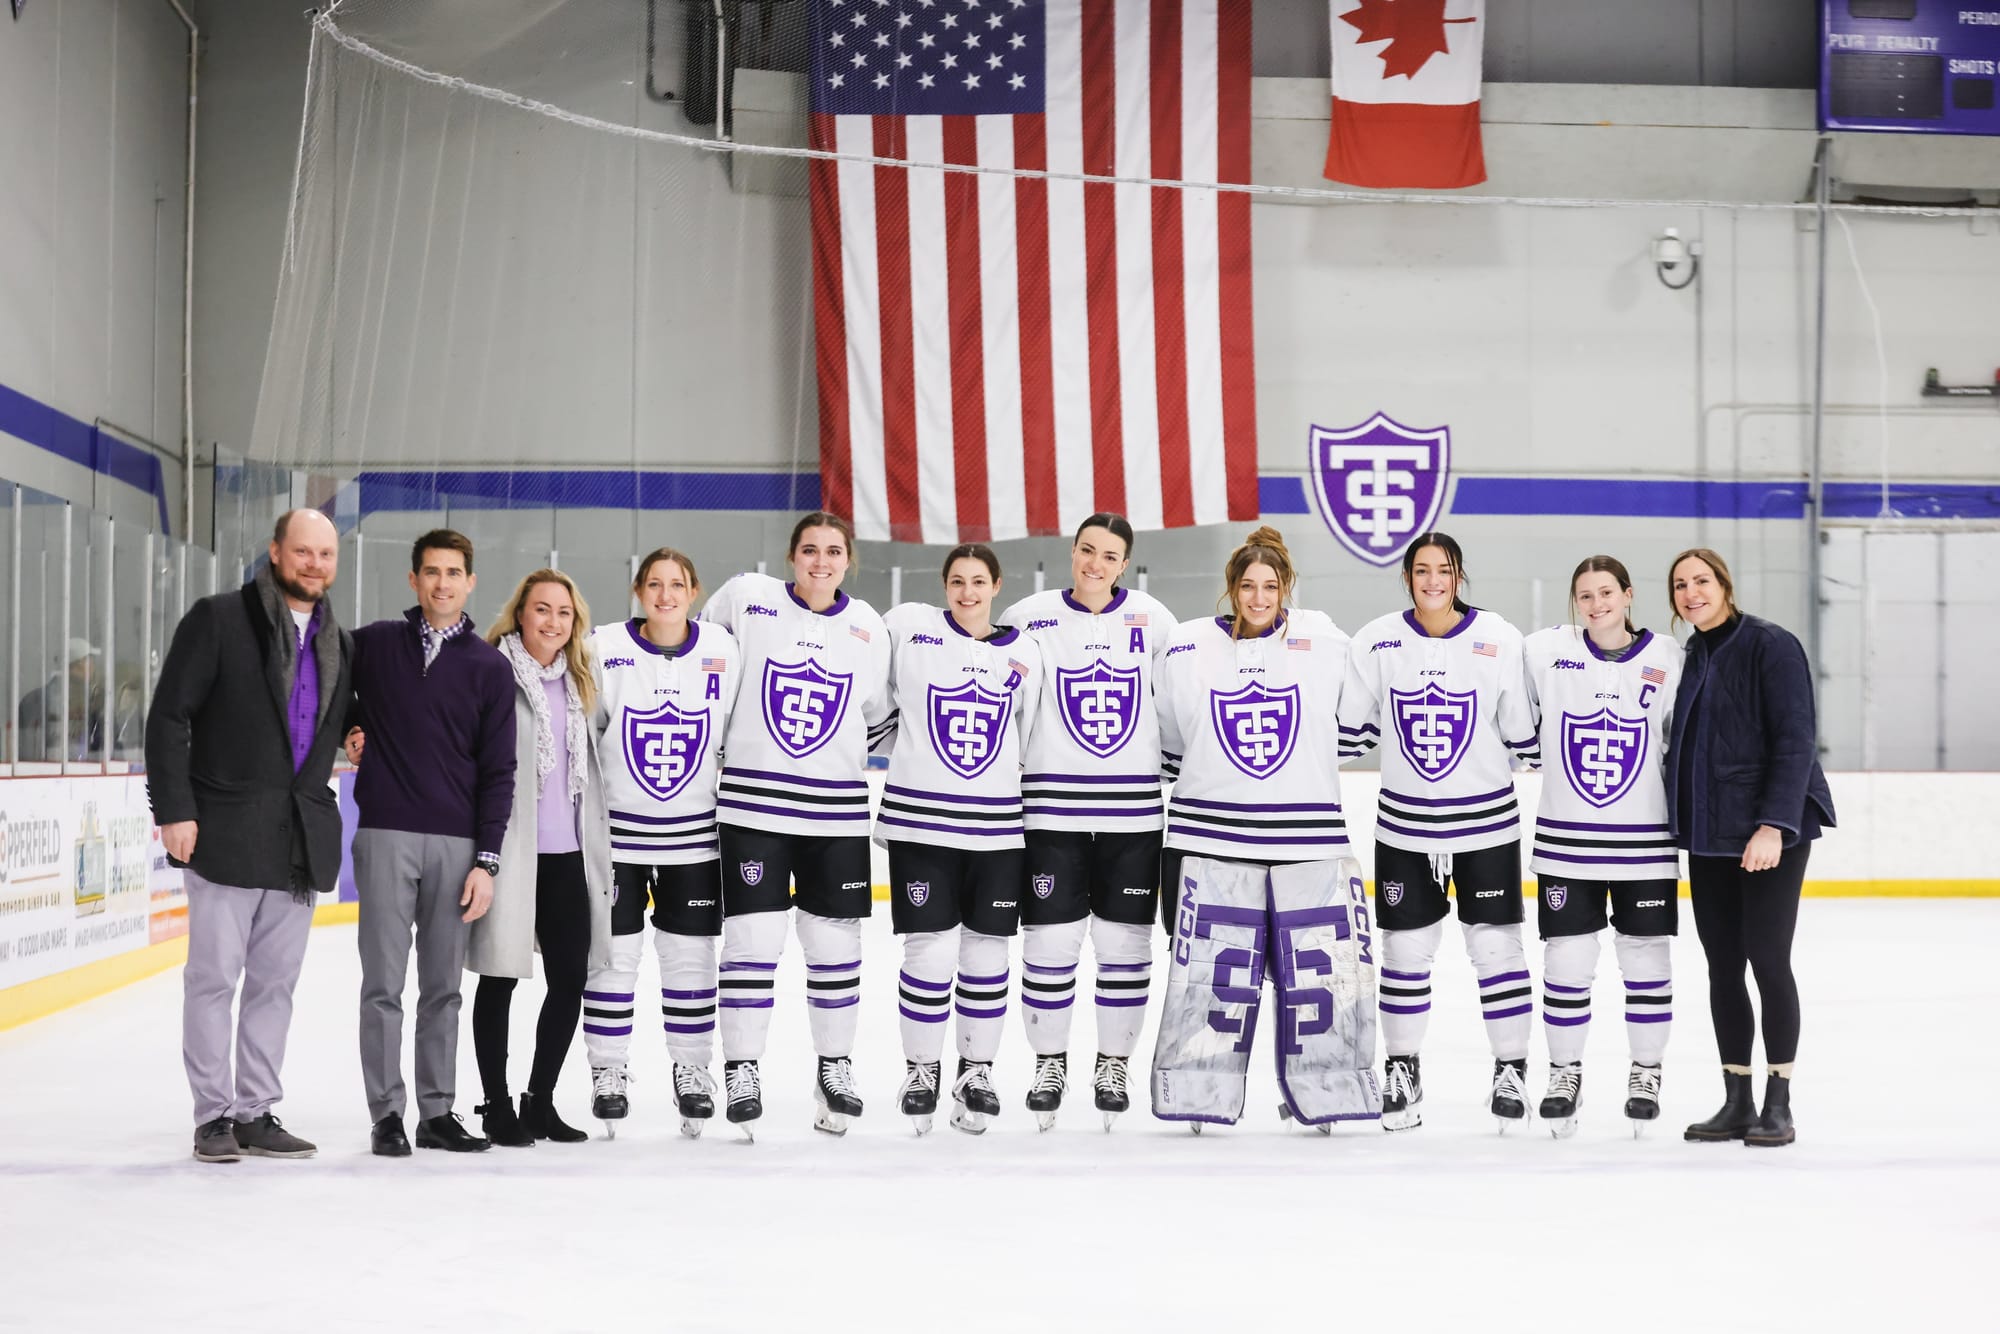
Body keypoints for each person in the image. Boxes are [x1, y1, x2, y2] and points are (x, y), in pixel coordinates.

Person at [145, 509, 353, 1163]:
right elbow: (168, 716)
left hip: (298, 841)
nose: (314, 564)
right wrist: (174, 809)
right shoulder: (219, 619)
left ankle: (256, 1111)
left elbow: (339, 723)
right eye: (303, 551)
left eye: (325, 554)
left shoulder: (339, 643)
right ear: (275, 552)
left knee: (274, 985)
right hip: (224, 831)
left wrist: (357, 734)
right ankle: (213, 1117)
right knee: (213, 981)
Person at [1150, 526, 1375, 1131]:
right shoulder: (1188, 646)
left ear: (1286, 587)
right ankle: (1199, 1088)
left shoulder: (1323, 641)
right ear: (1231, 587)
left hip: (1306, 840)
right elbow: (1169, 739)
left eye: (1270, 586)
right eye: (1247, 586)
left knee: (1314, 976)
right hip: (1207, 840)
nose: (1258, 597)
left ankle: (1320, 1090)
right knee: (1212, 978)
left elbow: (1356, 728)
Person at [1339, 532, 1541, 1133]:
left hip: (1487, 826)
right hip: (1404, 827)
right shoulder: (1376, 640)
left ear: (1459, 576)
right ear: (1407, 577)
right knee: (1404, 953)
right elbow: (1351, 733)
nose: (1433, 581)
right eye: (1422, 570)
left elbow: (1523, 736)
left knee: (1497, 950)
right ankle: (1403, 1069)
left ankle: (1511, 1070)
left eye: (1445, 570)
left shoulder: (1499, 638)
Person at [701, 512, 891, 1137]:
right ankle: (742, 1070)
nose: (821, 561)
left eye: (833, 551)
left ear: (848, 561)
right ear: (791, 556)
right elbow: (704, 657)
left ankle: (834, 1068)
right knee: (753, 944)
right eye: (810, 549)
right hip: (752, 809)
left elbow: (876, 717)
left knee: (835, 950)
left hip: (835, 815)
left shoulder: (869, 627)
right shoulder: (747, 598)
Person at [999, 514, 1178, 1131]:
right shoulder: (1029, 617)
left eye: (1108, 556)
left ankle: (1112, 1064)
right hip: (1051, 813)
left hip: (1133, 816)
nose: (1094, 564)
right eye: (1086, 550)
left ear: (1124, 564)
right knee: (1050, 945)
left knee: (1125, 948)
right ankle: (1049, 1063)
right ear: (1071, 552)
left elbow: (1175, 705)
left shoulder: (1155, 621)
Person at [345, 529, 517, 1156]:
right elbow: (325, 685)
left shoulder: (489, 668)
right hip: (385, 834)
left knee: (443, 988)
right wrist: (350, 727)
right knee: (382, 986)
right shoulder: (372, 644)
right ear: (413, 579)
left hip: (456, 844)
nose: (442, 583)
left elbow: (500, 771)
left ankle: (437, 1113)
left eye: (453, 573)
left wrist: (487, 860)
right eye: (431, 572)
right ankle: (387, 1114)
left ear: (470, 582)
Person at [1666, 548, 1834, 1149]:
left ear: (1725, 585)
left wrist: (1774, 825)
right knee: (1723, 965)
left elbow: (1796, 740)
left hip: (1768, 832)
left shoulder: (1770, 644)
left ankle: (1778, 1102)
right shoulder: (1691, 654)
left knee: (1767, 959)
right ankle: (1736, 1100)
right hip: (1709, 835)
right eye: (1680, 585)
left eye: (1701, 580)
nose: (1691, 592)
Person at [879, 545, 1042, 1135]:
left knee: (987, 954)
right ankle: (921, 1071)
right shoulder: (910, 630)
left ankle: (976, 1072)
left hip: (996, 828)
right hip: (920, 824)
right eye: (956, 581)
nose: (967, 592)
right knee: (929, 951)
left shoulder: (1025, 652)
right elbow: (878, 704)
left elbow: (1027, 734)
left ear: (997, 585)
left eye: (978, 581)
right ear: (943, 585)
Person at [1522, 556, 1684, 1138]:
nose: (1597, 604)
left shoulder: (1668, 656)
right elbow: (1517, 718)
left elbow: (1678, 741)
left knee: (1646, 960)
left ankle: (1646, 1072)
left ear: (1628, 594)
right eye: (1585, 595)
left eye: (1607, 592)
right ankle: (1564, 1073)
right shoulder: (1544, 651)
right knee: (1567, 962)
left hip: (1645, 842)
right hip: (1566, 842)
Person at [582, 547, 742, 1139]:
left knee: (691, 960)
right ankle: (608, 1071)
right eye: (654, 584)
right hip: (618, 838)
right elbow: (588, 733)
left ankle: (692, 1072)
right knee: (613, 959)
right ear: (638, 591)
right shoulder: (604, 648)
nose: (666, 595)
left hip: (695, 839)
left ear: (694, 591)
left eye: (677, 584)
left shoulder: (723, 650)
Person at [466, 570, 615, 1147]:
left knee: (569, 979)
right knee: (500, 976)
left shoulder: (581, 679)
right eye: (542, 609)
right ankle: (496, 1105)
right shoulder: (492, 672)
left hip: (567, 854)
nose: (553, 622)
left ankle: (539, 1101)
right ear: (521, 613)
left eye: (564, 612)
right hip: (509, 851)